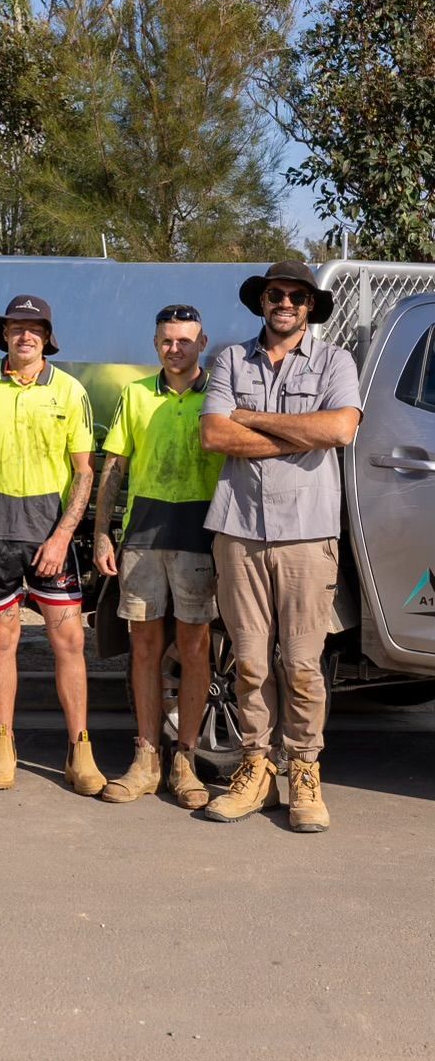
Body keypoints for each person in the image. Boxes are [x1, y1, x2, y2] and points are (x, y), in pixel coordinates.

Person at [200, 261, 362, 832]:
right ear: (262, 301)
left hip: (307, 533)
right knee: (247, 661)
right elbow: (214, 434)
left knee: (299, 662)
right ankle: (255, 768)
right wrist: (296, 433)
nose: (285, 302)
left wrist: (253, 420)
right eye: (276, 294)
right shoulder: (229, 358)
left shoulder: (335, 361)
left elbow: (340, 431)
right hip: (238, 530)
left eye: (297, 295)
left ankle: (304, 771)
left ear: (310, 306)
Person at [0, 294, 104, 794]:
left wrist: (63, 535)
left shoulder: (69, 390)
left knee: (69, 641)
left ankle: (79, 746)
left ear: (47, 336)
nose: (25, 335)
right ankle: (3, 743)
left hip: (49, 535)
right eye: (17, 327)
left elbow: (85, 471)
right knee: (2, 640)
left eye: (35, 328)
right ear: (4, 333)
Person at [93, 305, 224, 809]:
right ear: (155, 344)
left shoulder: (218, 395)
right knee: (144, 648)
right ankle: (147, 758)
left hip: (199, 536)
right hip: (143, 538)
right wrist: (104, 533)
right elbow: (114, 467)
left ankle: (185, 760)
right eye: (167, 341)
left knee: (194, 649)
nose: (176, 348)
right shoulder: (135, 395)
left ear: (202, 342)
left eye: (185, 340)